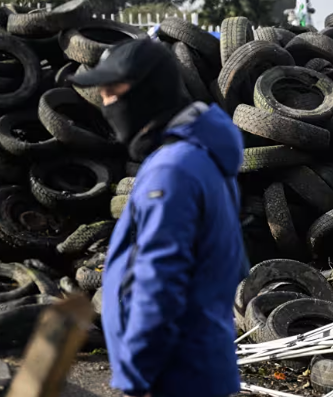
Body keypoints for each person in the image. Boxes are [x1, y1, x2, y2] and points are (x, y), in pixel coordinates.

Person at [71, 39, 248, 397]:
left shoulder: (174, 169)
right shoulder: (199, 158)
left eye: (112, 90)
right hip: (193, 366)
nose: (105, 102)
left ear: (146, 89)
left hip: (173, 374)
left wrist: (138, 374)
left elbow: (159, 279)